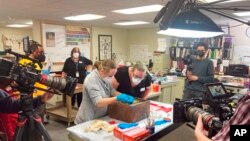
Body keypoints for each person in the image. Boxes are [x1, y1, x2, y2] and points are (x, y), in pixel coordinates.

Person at [75, 60, 134, 124]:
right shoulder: (92, 80)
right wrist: (117, 98)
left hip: (100, 117)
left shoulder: (104, 77)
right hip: (88, 119)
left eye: (114, 75)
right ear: (102, 71)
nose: (112, 78)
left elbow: (112, 91)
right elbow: (98, 102)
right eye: (111, 76)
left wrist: (123, 95)